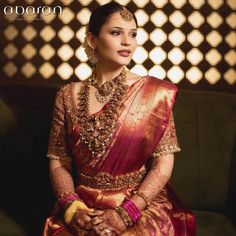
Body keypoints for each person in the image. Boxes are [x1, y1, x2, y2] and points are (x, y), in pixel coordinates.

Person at [43, 2, 196, 236]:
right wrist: (72, 207)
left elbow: (163, 165)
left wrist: (127, 213)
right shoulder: (67, 95)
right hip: (84, 204)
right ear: (92, 40)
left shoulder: (155, 94)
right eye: (116, 33)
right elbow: (59, 161)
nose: (128, 42)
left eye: (133, 34)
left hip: (139, 204)